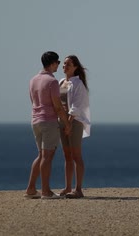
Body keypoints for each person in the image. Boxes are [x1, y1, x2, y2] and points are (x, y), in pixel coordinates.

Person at [25, 51, 71, 199]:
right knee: (47, 157)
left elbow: (33, 101)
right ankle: (46, 191)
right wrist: (66, 123)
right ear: (52, 63)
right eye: (58, 62)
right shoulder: (52, 81)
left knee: (41, 155)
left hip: (35, 120)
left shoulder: (33, 80)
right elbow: (58, 106)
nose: (59, 64)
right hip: (49, 121)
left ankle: (31, 189)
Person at [58, 55, 91, 199]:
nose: (65, 66)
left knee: (76, 155)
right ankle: (67, 187)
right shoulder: (60, 82)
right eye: (64, 64)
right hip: (61, 122)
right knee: (67, 155)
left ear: (75, 67)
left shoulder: (78, 84)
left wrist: (69, 123)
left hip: (74, 122)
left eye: (68, 64)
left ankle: (78, 189)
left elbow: (76, 106)